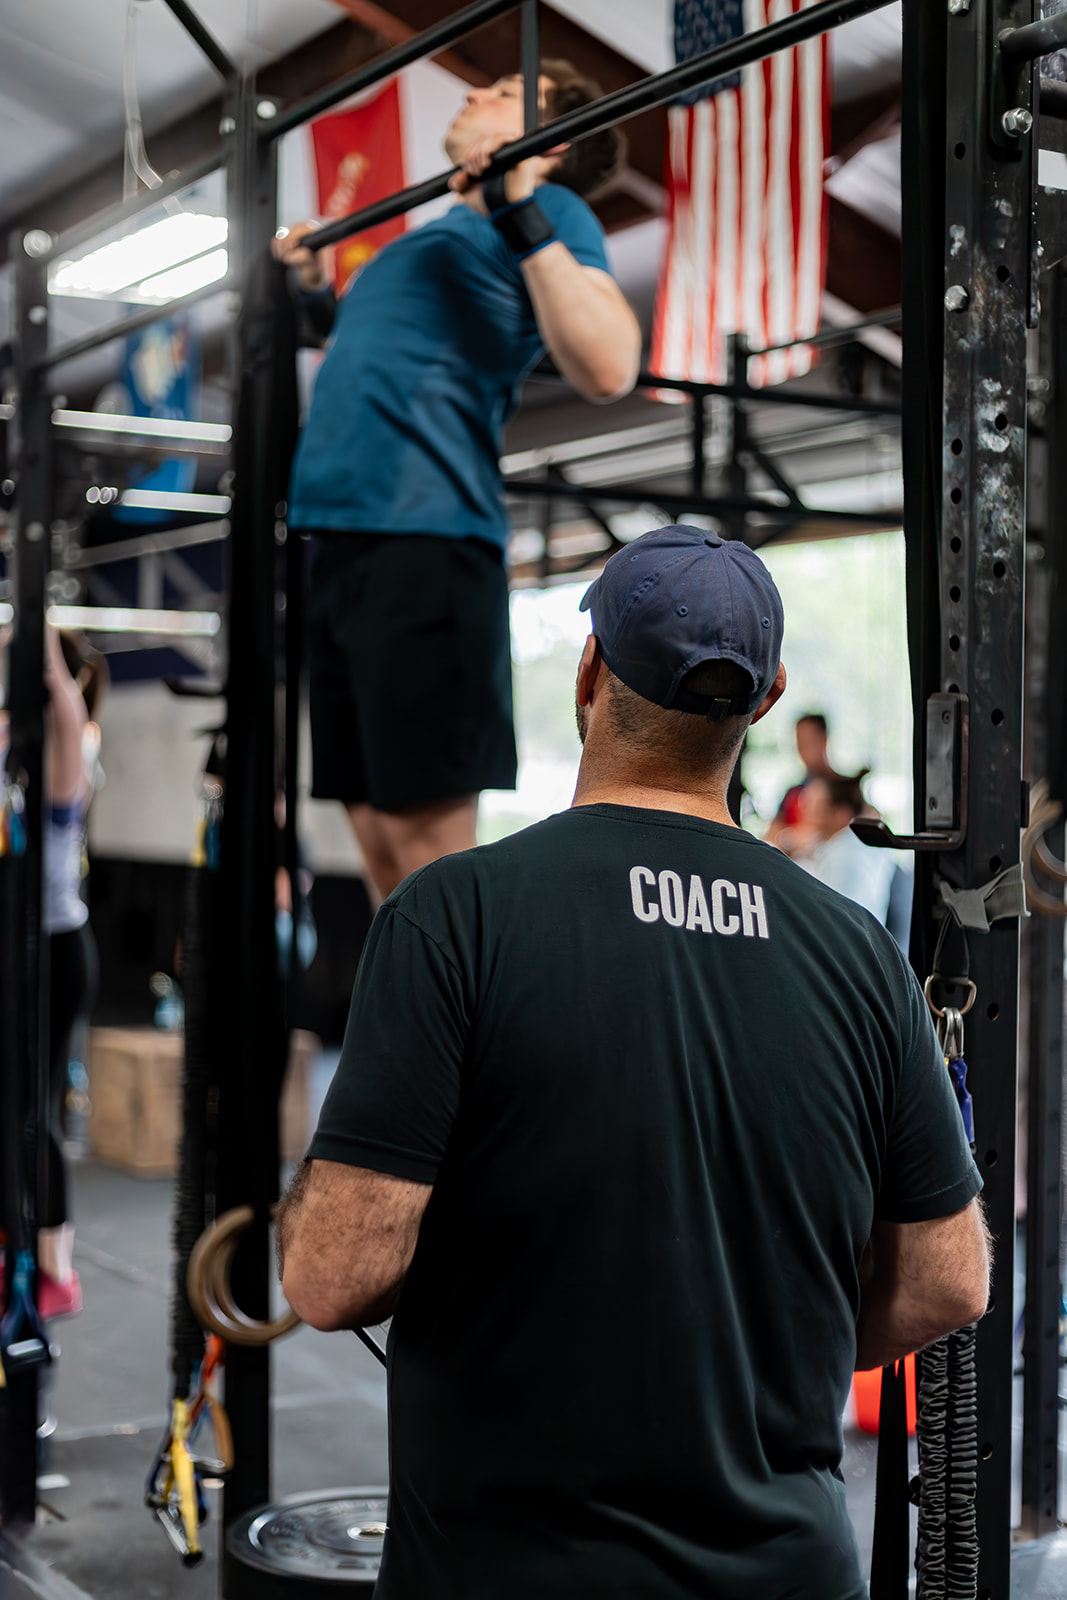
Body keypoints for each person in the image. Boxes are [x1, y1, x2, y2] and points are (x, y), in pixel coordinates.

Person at [277, 525, 989, 1600]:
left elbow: (330, 1277)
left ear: (589, 671)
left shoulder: (453, 916)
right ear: (764, 700)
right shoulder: (857, 955)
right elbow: (949, 1279)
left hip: (508, 1575)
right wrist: (762, 1349)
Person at [274, 61, 642, 902]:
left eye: (504, 92)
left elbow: (608, 365)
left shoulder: (550, 211)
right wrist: (314, 290)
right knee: (373, 835)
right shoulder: (431, 233)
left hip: (426, 541)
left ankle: (461, 997)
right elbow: (368, 343)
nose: (474, 94)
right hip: (339, 544)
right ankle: (405, 996)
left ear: (553, 144)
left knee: (426, 855)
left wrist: (518, 202)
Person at [795, 769, 897, 924]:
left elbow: (835, 922)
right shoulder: (857, 847)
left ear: (841, 813)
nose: (806, 812)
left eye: (815, 805)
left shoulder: (845, 857)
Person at [765, 711, 836, 853]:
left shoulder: (842, 790)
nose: (802, 750)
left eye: (808, 742)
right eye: (799, 743)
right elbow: (771, 837)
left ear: (823, 740)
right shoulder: (793, 793)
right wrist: (790, 839)